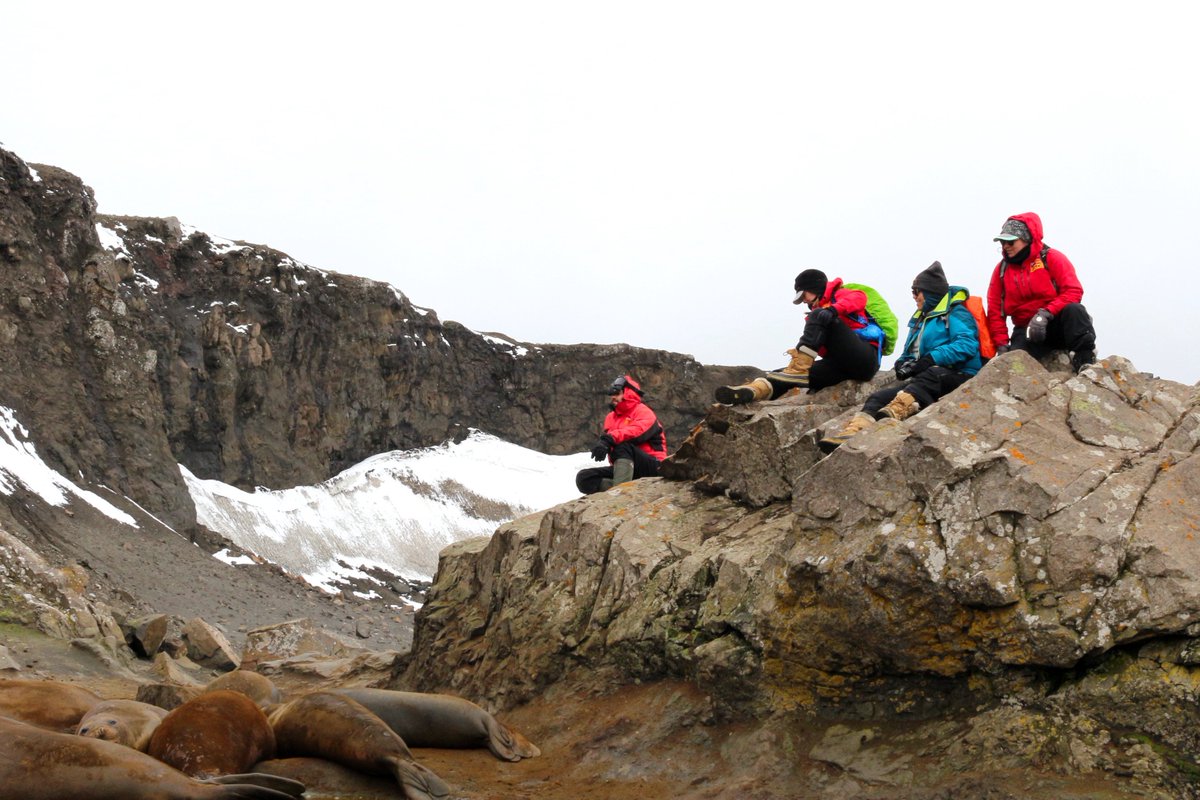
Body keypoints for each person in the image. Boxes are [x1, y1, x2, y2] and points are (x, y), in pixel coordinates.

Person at [819, 262, 981, 453]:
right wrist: (902, 362)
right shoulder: (920, 320)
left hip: (962, 375)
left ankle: (897, 411)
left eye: (916, 291)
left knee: (933, 374)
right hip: (926, 380)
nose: (914, 296)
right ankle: (853, 432)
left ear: (930, 292)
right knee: (878, 397)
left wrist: (931, 359)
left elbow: (967, 344)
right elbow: (909, 352)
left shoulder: (955, 312)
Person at [715, 269, 881, 404]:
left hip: (864, 360)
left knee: (818, 317)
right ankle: (754, 391)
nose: (804, 301)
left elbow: (859, 298)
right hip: (840, 367)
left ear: (816, 288)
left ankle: (799, 367)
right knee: (784, 374)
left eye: (804, 296)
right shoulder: (817, 315)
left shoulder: (839, 296)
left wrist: (833, 310)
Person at [986, 212, 1097, 373]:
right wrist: (1002, 345)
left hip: (1056, 324)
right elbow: (995, 310)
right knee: (1016, 367)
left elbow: (1073, 291)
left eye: (1010, 241)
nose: (1005, 246)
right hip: (1027, 331)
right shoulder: (1001, 271)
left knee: (1075, 310)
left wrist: (1045, 314)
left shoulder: (1051, 258)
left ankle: (1085, 358)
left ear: (1027, 238)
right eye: (1003, 242)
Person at [576, 374, 668, 495]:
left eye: (617, 393)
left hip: (654, 466)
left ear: (628, 392)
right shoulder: (611, 418)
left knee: (622, 446)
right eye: (612, 394)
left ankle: (621, 495)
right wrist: (605, 445)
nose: (613, 397)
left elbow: (637, 431)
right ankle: (624, 487)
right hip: (628, 468)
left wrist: (609, 440)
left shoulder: (643, 411)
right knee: (584, 478)